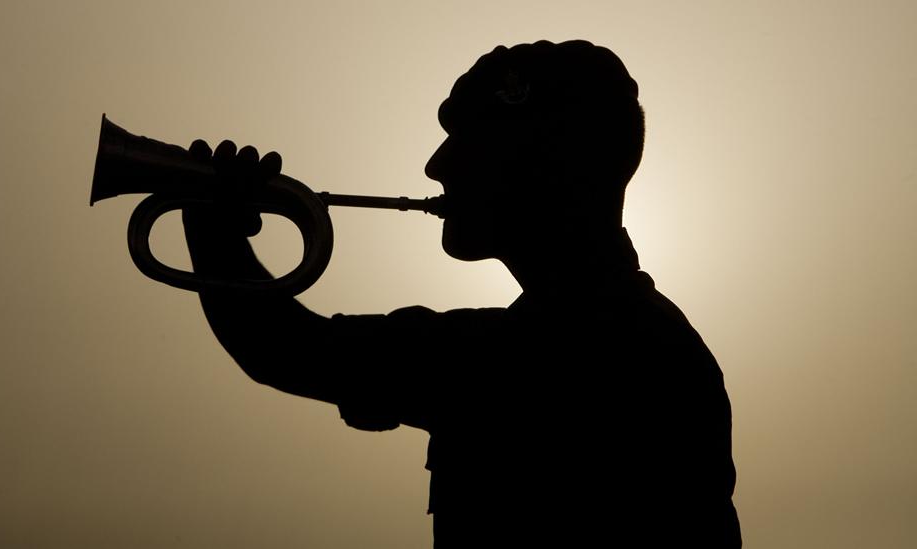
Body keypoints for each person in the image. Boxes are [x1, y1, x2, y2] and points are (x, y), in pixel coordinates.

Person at [182, 39, 741, 548]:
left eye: (469, 143)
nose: (436, 165)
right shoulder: (649, 338)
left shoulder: (537, 352)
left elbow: (279, 347)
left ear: (542, 165)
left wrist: (212, 225)